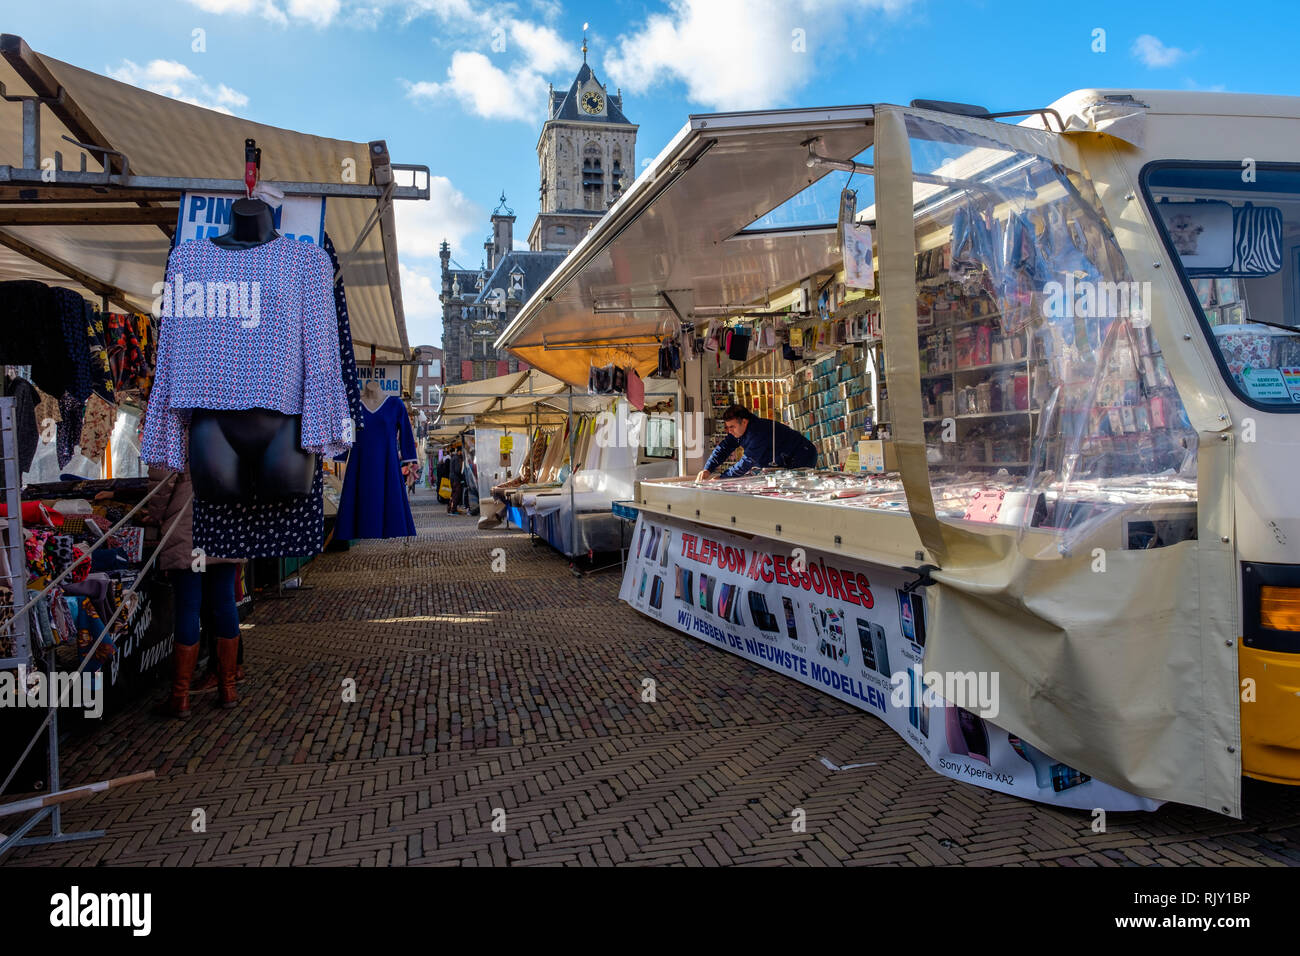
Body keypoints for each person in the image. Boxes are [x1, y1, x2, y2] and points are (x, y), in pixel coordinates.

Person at [144, 464, 244, 717]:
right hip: (226, 520)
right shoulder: (238, 422)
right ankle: (228, 689)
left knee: (188, 607)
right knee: (224, 602)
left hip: (187, 524)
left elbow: (161, 480)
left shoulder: (172, 423)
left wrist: (154, 516)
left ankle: (180, 698)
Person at [696, 404, 818, 480]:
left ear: (744, 422)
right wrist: (708, 469)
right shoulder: (738, 430)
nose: (729, 431)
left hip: (802, 455)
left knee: (793, 487)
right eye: (727, 427)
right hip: (783, 458)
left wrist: (723, 478)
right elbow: (723, 448)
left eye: (731, 427)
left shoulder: (758, 432)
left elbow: (746, 462)